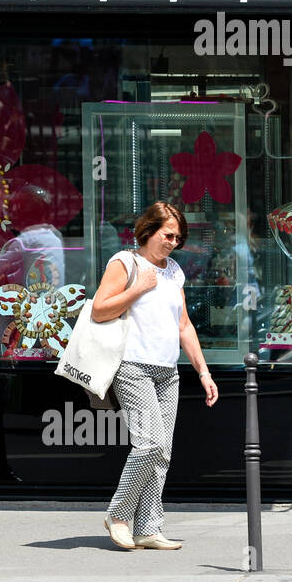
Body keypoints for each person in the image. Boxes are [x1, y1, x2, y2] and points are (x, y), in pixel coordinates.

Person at [89, 201, 218, 550]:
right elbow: (100, 309)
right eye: (168, 234)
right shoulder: (125, 262)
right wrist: (137, 288)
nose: (174, 242)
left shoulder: (174, 271)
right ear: (148, 231)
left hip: (167, 371)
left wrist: (203, 372)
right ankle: (118, 515)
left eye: (179, 236)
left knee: (163, 451)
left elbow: (184, 325)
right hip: (132, 366)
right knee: (148, 445)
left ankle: (148, 527)